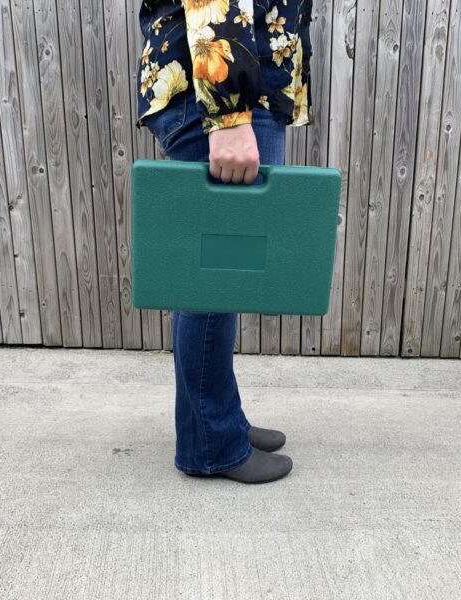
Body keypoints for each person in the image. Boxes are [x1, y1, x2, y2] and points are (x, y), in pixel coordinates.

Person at [135, 0, 313, 483]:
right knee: (212, 277)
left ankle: (219, 419)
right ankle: (210, 445)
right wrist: (230, 114)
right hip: (218, 86)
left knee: (223, 276)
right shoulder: (227, 104)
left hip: (237, 83)